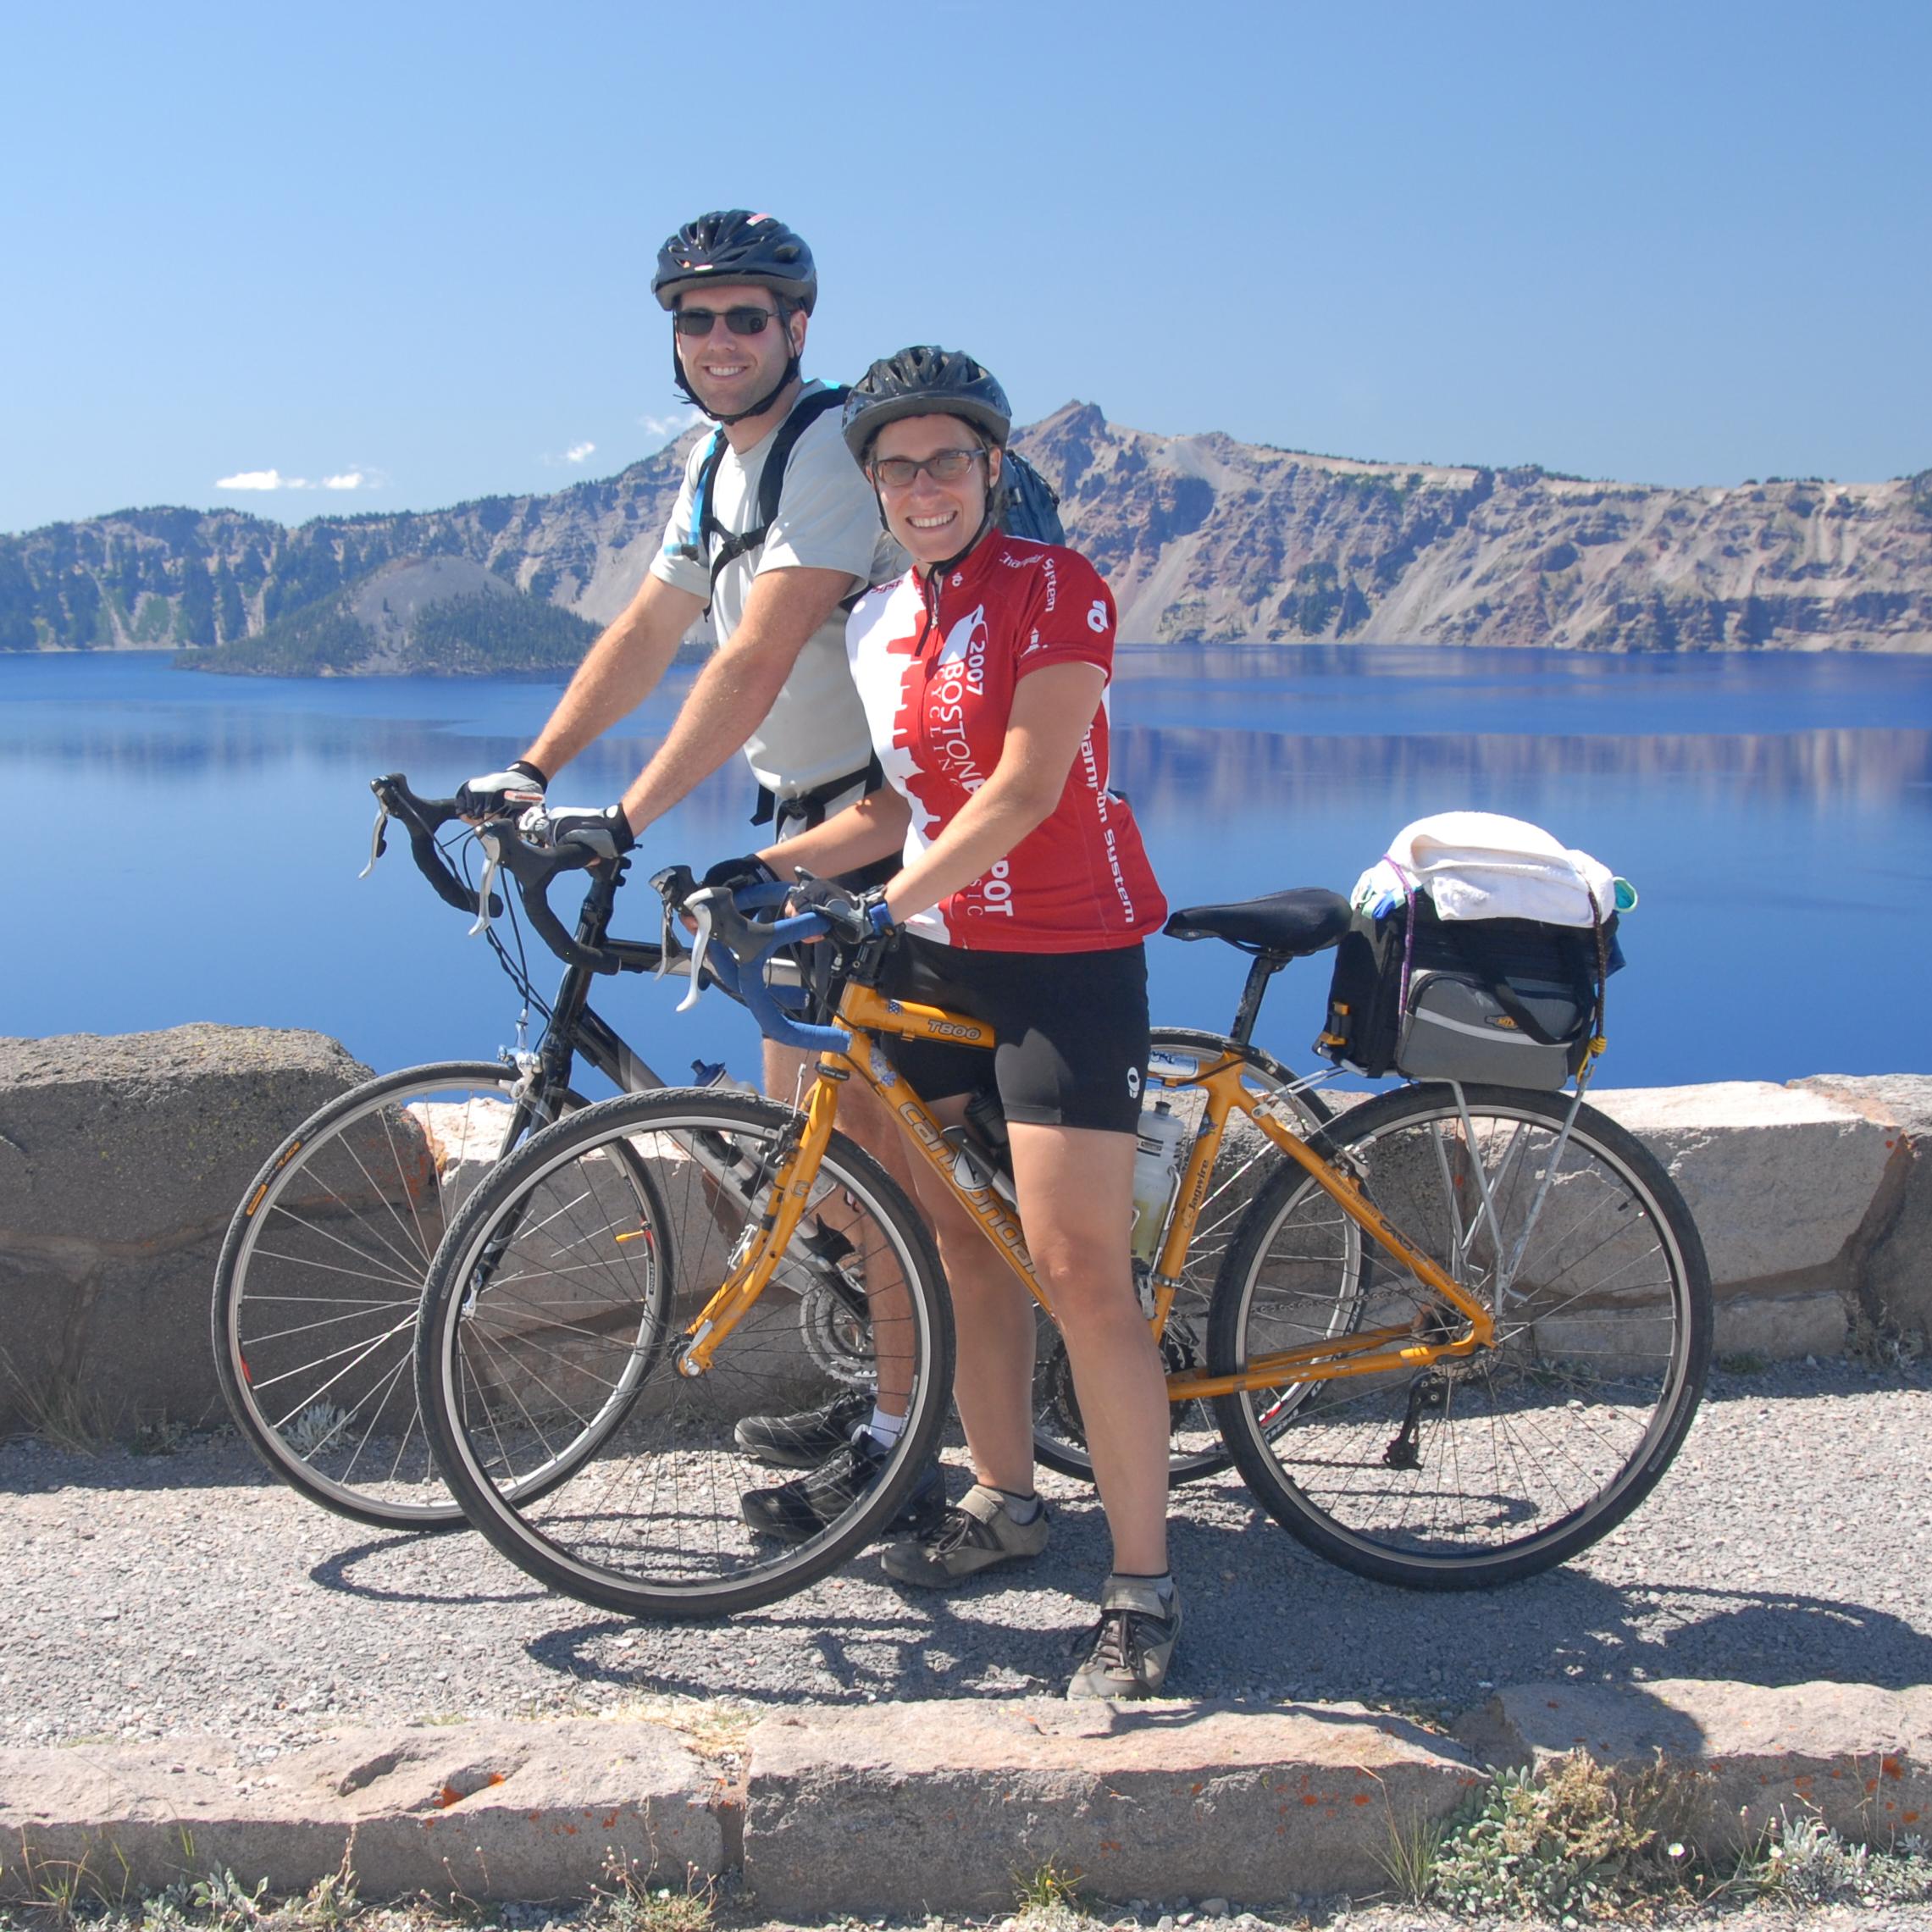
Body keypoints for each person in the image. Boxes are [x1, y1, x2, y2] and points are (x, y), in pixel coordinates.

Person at [457, 208, 932, 1533]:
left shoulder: (828, 448)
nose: (717, 339)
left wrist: (632, 811)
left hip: (881, 826)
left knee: (868, 1157)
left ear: (796, 327)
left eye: (744, 316)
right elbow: (654, 623)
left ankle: (906, 1440)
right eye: (693, 317)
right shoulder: (714, 468)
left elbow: (759, 653)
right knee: (809, 1162)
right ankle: (895, 1375)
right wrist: (537, 767)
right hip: (802, 810)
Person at [730, 346, 1182, 1700]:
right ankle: (1003, 1497)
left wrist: (887, 902)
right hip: (934, 959)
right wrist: (759, 871)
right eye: (896, 466)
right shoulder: (877, 620)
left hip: (1064, 957)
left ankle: (1143, 1588)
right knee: (958, 1242)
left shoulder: (1061, 590)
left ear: (990, 467)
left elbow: (1026, 785)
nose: (922, 485)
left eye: (946, 460)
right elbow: (896, 809)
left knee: (1076, 1265)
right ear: (871, 485)